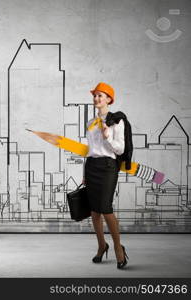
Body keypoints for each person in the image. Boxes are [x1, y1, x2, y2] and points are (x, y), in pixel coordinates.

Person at [82, 82, 129, 269]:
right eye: (94, 95)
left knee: (106, 208)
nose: (96, 99)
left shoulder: (117, 122)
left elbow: (120, 149)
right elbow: (89, 150)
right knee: (94, 211)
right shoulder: (91, 123)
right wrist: (84, 172)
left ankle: (118, 248)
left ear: (109, 99)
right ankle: (102, 245)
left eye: (100, 95)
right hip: (92, 166)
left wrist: (108, 135)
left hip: (108, 167)